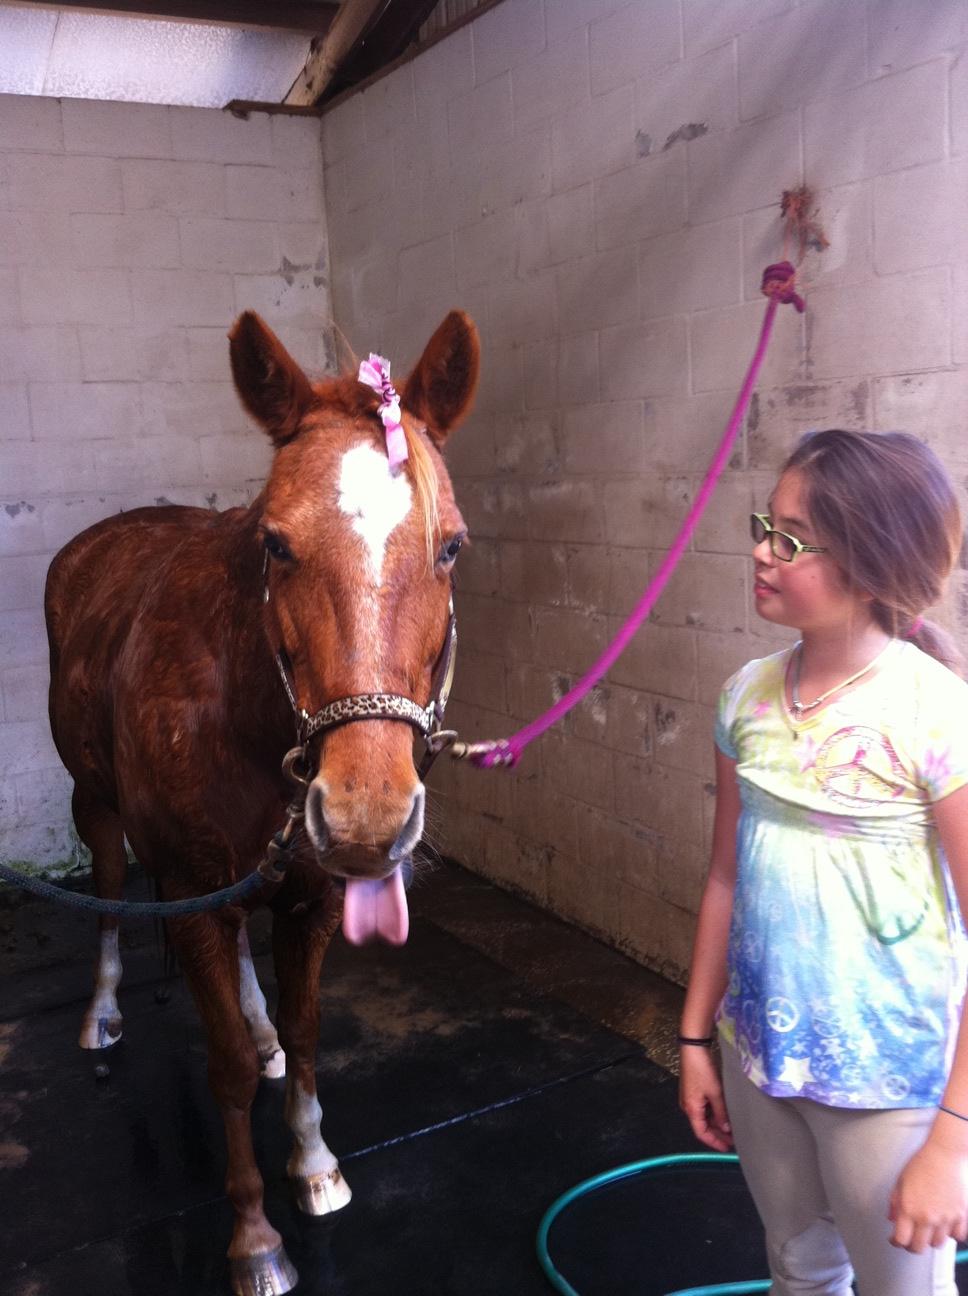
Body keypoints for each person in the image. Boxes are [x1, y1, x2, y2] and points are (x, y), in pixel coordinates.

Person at [679, 428, 968, 1295]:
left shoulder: (935, 716)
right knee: (799, 1271)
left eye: (793, 540)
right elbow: (725, 874)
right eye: (767, 524)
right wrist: (697, 1036)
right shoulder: (746, 697)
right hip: (759, 1058)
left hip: (891, 1086)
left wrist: (952, 1139)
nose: (763, 552)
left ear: (874, 565)